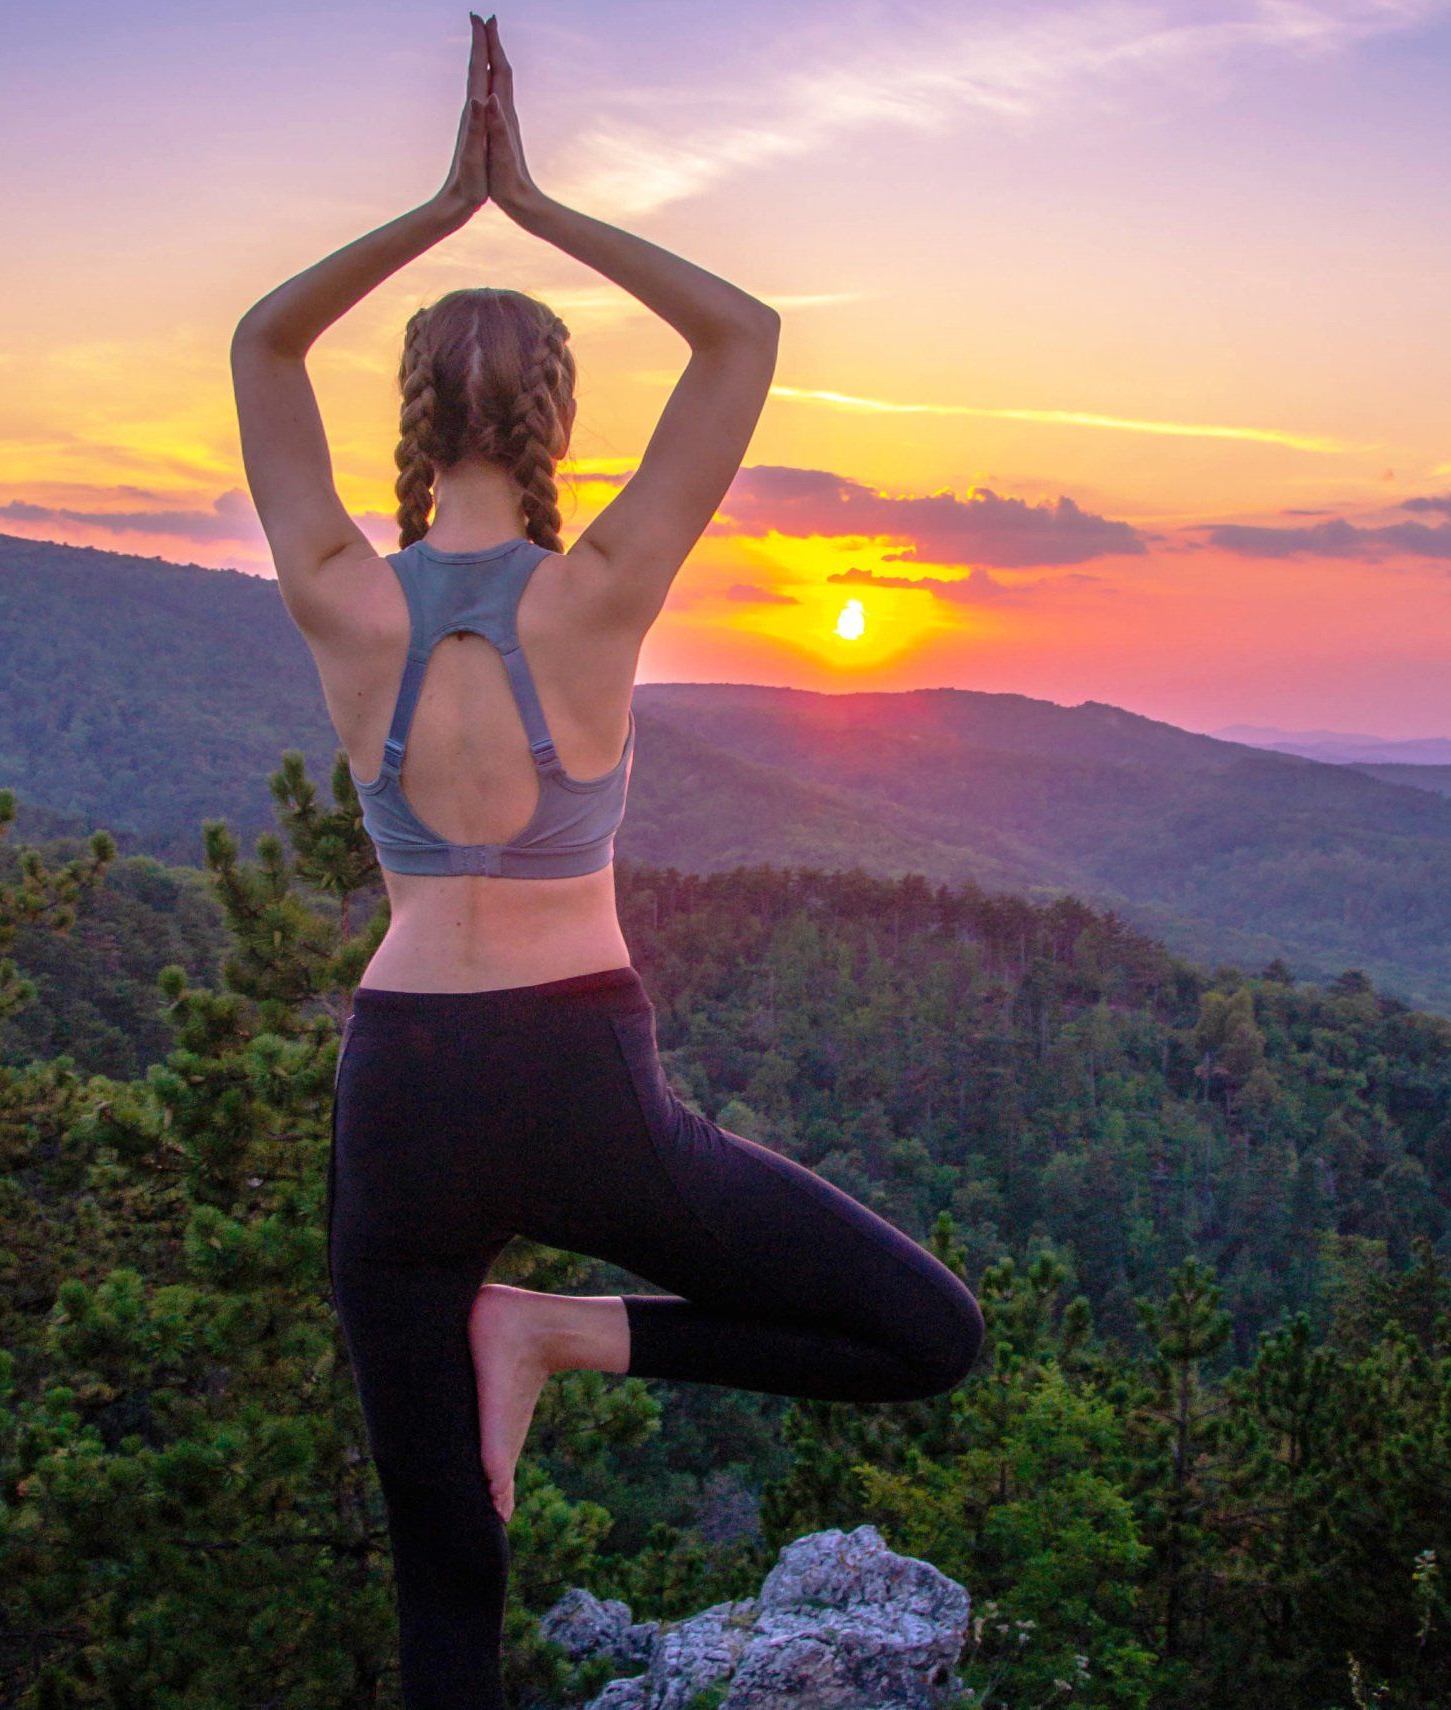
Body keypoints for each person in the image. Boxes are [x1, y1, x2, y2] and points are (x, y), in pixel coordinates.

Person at [230, 15, 985, 1707]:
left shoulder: (344, 595)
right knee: (929, 1336)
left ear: (412, 419)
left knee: (450, 1575)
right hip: (584, 1073)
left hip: (405, 1087)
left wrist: (444, 206)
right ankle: (564, 1330)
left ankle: (533, 1331)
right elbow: (746, 333)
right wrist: (536, 201)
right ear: (561, 414)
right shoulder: (604, 590)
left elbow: (261, 348)